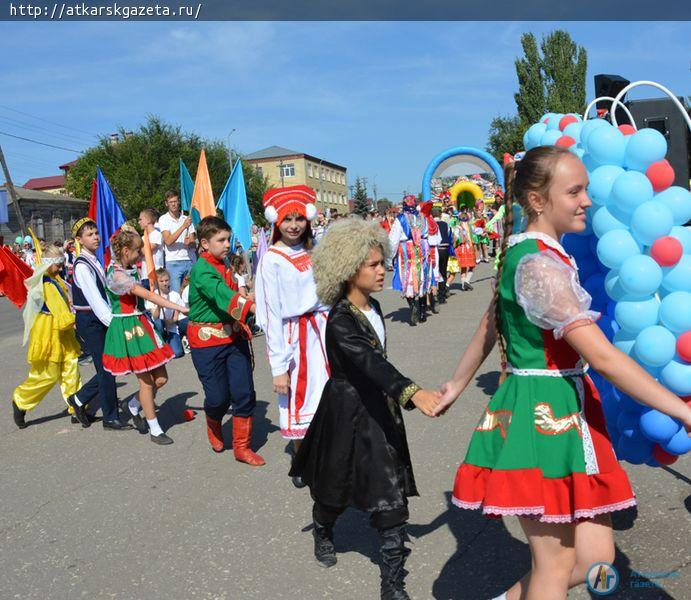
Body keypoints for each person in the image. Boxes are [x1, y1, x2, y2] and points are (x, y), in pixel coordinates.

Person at [432, 146, 691, 600]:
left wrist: (457, 381)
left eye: (587, 188)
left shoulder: (536, 255)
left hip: (568, 408)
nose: (587, 200)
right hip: (541, 415)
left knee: (595, 560)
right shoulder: (538, 265)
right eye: (575, 191)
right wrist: (682, 410)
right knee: (555, 566)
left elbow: (491, 323)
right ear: (537, 200)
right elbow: (605, 358)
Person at [290, 219, 440, 600]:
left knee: (390, 494)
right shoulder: (340, 318)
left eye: (381, 262)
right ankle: (323, 529)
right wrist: (412, 393)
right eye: (372, 264)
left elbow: (376, 365)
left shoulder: (373, 306)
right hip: (344, 411)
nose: (381, 269)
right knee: (333, 488)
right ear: (347, 269)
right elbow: (370, 362)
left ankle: (392, 585)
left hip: (378, 410)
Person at [255, 185, 330, 486]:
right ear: (277, 222)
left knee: (327, 396)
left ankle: (325, 457)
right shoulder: (272, 258)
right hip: (293, 337)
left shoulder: (314, 251)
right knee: (299, 399)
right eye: (287, 219)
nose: (294, 225)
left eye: (299, 218)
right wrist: (278, 368)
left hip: (322, 332)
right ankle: (301, 460)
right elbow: (271, 315)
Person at [187, 216, 262, 465]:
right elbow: (221, 295)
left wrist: (249, 294)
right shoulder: (201, 270)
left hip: (233, 337)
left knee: (243, 392)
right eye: (221, 240)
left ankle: (242, 448)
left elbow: (232, 292)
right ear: (205, 244)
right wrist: (253, 307)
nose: (227, 244)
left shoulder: (225, 263)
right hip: (207, 342)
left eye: (228, 239)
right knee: (218, 398)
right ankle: (213, 421)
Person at [103, 228, 188, 445]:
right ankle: (155, 428)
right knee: (147, 382)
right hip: (128, 329)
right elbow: (149, 295)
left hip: (142, 323)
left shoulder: (129, 268)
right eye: (138, 249)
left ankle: (132, 404)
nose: (142, 252)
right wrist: (179, 307)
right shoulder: (116, 274)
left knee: (161, 378)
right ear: (124, 250)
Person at [12, 246, 83, 429]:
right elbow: (61, 313)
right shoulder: (47, 283)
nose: (60, 268)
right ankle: (21, 401)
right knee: (47, 374)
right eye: (58, 265)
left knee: (71, 368)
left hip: (63, 333)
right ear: (50, 264)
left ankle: (76, 406)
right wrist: (79, 321)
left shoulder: (54, 279)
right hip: (50, 332)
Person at [71, 218, 130, 430]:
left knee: (110, 366)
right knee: (107, 367)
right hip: (91, 321)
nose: (95, 237)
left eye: (96, 233)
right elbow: (95, 300)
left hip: (99, 318)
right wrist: (113, 323)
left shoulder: (95, 259)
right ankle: (110, 417)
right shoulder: (81, 266)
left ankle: (78, 400)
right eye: (89, 234)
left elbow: (105, 291)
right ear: (79, 240)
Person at [388, 195, 429, 326]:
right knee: (422, 276)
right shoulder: (423, 217)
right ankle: (422, 312)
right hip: (421, 248)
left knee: (407, 277)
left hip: (406, 250)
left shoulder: (400, 219)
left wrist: (389, 258)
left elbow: (393, 240)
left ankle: (412, 307)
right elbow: (427, 234)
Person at [157, 190, 195, 292]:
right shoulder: (163, 219)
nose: (174, 204)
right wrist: (183, 226)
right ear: (166, 204)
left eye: (175, 201)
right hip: (173, 262)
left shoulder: (186, 218)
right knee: (176, 295)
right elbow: (168, 241)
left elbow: (193, 242)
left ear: (179, 202)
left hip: (189, 260)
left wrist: (190, 242)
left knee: (191, 294)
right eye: (171, 202)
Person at [146, 268, 185, 359]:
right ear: (157, 282)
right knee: (158, 323)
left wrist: (170, 322)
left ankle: (168, 343)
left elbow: (175, 318)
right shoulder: (153, 295)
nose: (164, 283)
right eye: (161, 281)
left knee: (177, 353)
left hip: (170, 326)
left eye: (166, 280)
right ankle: (159, 344)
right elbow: (154, 317)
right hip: (158, 325)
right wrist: (159, 306)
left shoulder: (175, 295)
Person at [138, 208, 164, 290]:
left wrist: (135, 234)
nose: (139, 222)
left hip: (156, 274)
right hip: (145, 275)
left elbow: (146, 251)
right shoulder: (142, 238)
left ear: (148, 220)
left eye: (141, 219)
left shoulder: (157, 235)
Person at [433, 207, 452, 304]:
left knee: (434, 272)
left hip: (435, 250)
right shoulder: (445, 224)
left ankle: (433, 295)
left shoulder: (431, 224)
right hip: (444, 249)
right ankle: (442, 295)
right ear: (440, 215)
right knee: (443, 271)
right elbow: (449, 235)